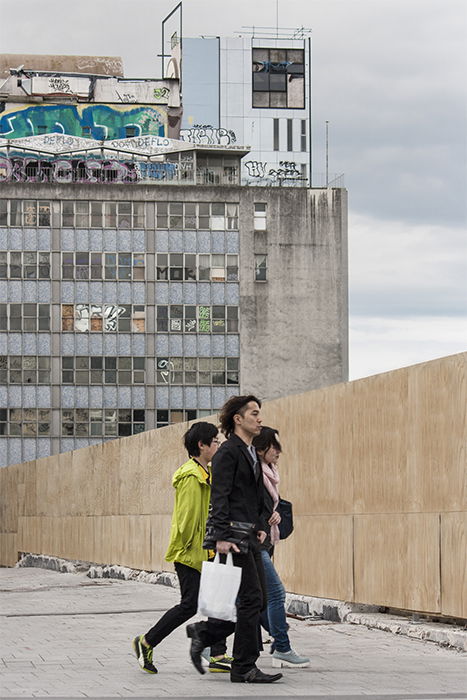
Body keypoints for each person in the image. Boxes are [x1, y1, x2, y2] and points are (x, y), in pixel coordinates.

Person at [185, 395, 283, 684]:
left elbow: (250, 496)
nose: (259, 418)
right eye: (254, 413)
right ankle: (243, 667)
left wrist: (260, 526)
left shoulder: (249, 451)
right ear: (238, 419)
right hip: (233, 536)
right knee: (252, 599)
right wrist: (219, 536)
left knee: (258, 599)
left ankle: (205, 634)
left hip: (249, 535)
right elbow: (220, 495)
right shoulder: (228, 452)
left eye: (259, 413)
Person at [132, 421, 231, 674]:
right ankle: (146, 642)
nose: (218, 445)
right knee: (189, 604)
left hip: (207, 550)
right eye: (216, 441)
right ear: (202, 445)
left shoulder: (206, 473)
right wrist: (189, 546)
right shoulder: (191, 475)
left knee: (218, 603)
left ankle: (218, 654)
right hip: (190, 552)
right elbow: (186, 518)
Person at [253, 426, 310, 668]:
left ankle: (209, 643)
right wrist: (264, 518)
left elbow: (264, 506)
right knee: (275, 594)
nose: (278, 451)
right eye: (274, 446)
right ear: (261, 448)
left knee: (256, 599)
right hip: (253, 541)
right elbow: (247, 505)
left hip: (263, 542)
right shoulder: (255, 472)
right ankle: (282, 647)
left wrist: (273, 515)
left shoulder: (270, 473)